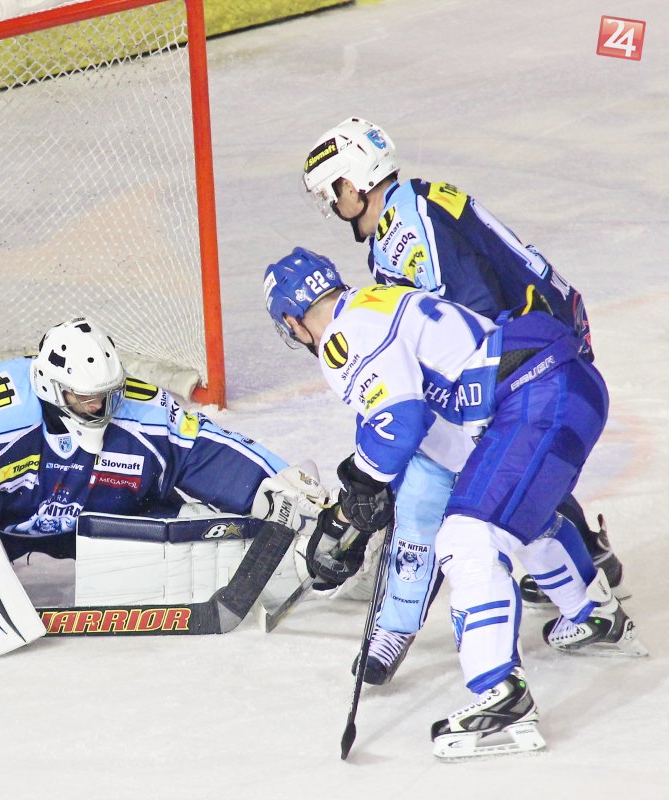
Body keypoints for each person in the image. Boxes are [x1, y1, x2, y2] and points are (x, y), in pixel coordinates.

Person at [263, 247, 646, 758]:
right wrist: (359, 497)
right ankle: (593, 614)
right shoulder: (381, 300)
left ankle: (501, 697)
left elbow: (399, 423)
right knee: (517, 519)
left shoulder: (341, 336)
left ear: (292, 320)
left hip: (531, 394)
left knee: (467, 535)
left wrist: (360, 487)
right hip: (562, 384)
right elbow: (418, 421)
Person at [298, 117, 625, 683]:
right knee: (494, 467)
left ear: (354, 184)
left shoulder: (407, 232)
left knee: (468, 486)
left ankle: (430, 631)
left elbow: (474, 321)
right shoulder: (410, 208)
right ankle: (583, 562)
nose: (332, 205)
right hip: (545, 334)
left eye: (333, 191)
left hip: (532, 352)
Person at [0, 316, 324, 600]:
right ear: (52, 388)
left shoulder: (140, 408)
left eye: (107, 394)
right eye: (85, 397)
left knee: (209, 541)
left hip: (101, 520)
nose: (99, 406)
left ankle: (310, 556)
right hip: (3, 526)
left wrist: (273, 479)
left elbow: (201, 447)